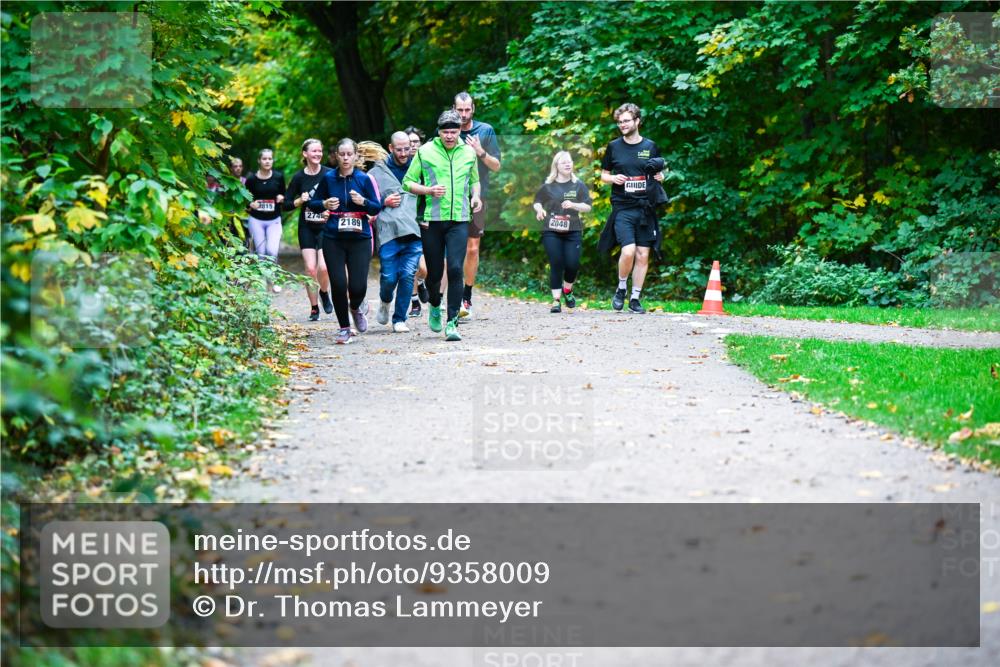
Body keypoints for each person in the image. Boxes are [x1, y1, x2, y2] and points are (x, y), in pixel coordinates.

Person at [402, 109, 482, 342]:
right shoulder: (426, 151)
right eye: (445, 131)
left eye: (453, 131)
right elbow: (407, 182)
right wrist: (428, 190)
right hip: (432, 220)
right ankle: (435, 304)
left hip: (459, 218)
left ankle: (452, 323)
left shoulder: (468, 152)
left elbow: (475, 181)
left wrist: (476, 197)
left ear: (460, 130)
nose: (449, 136)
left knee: (456, 268)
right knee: (434, 273)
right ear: (439, 131)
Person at [307, 138, 382, 345]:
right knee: (339, 284)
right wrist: (323, 203)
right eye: (342, 154)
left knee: (358, 287)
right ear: (336, 156)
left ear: (356, 156)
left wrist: (363, 202)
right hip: (333, 238)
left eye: (350, 154)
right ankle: (344, 328)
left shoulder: (364, 179)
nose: (346, 158)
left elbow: (376, 207)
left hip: (360, 239)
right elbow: (312, 204)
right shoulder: (329, 178)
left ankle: (356, 307)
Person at [599, 103, 664, 314]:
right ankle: (621, 287)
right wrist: (613, 178)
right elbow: (603, 175)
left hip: (645, 207)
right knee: (628, 251)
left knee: (643, 254)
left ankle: (635, 298)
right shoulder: (614, 147)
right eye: (619, 122)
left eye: (626, 121)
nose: (622, 125)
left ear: (637, 121)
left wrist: (661, 177)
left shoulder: (650, 146)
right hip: (623, 207)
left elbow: (658, 172)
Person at [368, 132, 424, 333]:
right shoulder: (376, 174)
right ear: (390, 148)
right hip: (389, 233)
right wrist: (384, 202)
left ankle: (400, 319)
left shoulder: (418, 168)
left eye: (406, 149)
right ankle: (384, 300)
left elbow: (429, 196)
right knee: (389, 278)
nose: (403, 153)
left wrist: (426, 219)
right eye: (398, 149)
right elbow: (368, 204)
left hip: (413, 231)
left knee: (408, 275)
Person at [454, 91, 501, 320]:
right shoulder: (446, 130)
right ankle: (445, 296)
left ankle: (467, 296)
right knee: (451, 250)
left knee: (472, 248)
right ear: (454, 110)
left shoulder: (485, 130)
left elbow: (496, 166)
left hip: (477, 197)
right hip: (449, 198)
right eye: (459, 110)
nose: (463, 115)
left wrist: (480, 151)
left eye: (467, 110)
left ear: (473, 109)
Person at [533, 151, 592, 313]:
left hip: (573, 230)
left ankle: (567, 290)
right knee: (556, 262)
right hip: (551, 229)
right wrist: (539, 210)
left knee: (573, 264)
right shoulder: (548, 186)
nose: (568, 164)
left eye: (570, 162)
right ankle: (556, 300)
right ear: (556, 166)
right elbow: (537, 201)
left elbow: (587, 206)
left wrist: (574, 205)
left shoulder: (578, 185)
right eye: (563, 162)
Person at [285, 138, 334, 321]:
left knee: (324, 267)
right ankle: (314, 308)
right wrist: (299, 201)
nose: (318, 154)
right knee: (311, 269)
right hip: (306, 227)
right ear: (305, 154)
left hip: (324, 226)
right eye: (314, 151)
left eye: (320, 151)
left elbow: (338, 198)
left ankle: (324, 292)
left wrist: (330, 210)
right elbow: (287, 204)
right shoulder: (299, 177)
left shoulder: (329, 174)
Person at [244, 148, 286, 291]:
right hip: (256, 220)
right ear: (259, 161)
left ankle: (274, 279)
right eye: (264, 159)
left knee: (272, 251)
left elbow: (284, 196)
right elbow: (245, 199)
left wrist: (282, 198)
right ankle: (261, 280)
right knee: (261, 253)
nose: (267, 161)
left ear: (272, 160)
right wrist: (250, 204)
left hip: (274, 219)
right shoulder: (251, 180)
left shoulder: (278, 177)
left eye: (270, 159)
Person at [404, 126, 430, 318]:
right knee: (412, 263)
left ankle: (421, 282)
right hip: (405, 219)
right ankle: (414, 302)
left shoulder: (427, 162)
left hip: (425, 216)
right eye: (409, 143)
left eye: (415, 142)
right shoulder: (400, 165)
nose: (412, 146)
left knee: (425, 267)